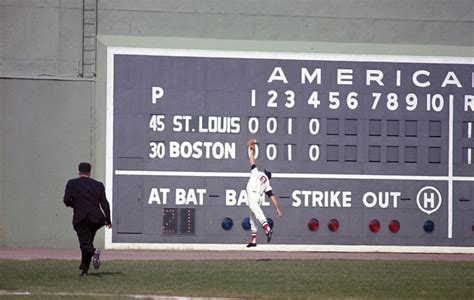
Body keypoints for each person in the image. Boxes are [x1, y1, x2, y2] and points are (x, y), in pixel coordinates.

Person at [63, 162, 112, 277]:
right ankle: (84, 270)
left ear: (78, 171)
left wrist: (74, 205)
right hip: (97, 219)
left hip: (81, 218)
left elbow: (66, 200)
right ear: (89, 172)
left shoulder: (72, 183)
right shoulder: (98, 185)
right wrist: (108, 220)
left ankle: (95, 252)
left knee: (85, 244)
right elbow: (104, 203)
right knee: (87, 242)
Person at [245, 139, 282, 247]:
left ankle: (267, 229)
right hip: (259, 197)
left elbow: (252, 161)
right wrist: (277, 208)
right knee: (252, 216)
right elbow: (272, 197)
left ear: (265, 174)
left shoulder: (257, 172)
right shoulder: (267, 184)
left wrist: (251, 149)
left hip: (252, 194)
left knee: (257, 214)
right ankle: (253, 240)